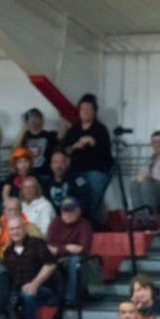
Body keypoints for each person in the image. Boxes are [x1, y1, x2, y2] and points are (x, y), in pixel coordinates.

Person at [60, 94, 112, 226]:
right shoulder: (74, 129)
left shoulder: (100, 129)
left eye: (89, 109)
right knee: (71, 194)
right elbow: (65, 149)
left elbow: (106, 153)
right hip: (76, 171)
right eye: (83, 109)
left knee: (92, 197)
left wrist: (93, 142)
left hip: (97, 170)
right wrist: (74, 146)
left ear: (94, 111)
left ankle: (92, 225)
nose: (86, 112)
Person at [3, 216, 57, 319]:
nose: (15, 232)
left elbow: (51, 264)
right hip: (18, 291)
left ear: (25, 228)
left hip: (43, 289)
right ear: (8, 232)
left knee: (26, 295)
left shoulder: (37, 243)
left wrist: (35, 284)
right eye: (12, 229)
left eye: (18, 228)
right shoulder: (7, 252)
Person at [45, 197, 93, 308]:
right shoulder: (55, 222)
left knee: (75, 261)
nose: (68, 214)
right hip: (58, 257)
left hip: (80, 260)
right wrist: (67, 248)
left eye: (71, 211)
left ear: (78, 211)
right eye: (65, 211)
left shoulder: (84, 225)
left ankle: (70, 299)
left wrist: (59, 249)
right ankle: (51, 298)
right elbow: (49, 245)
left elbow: (83, 249)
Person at [14, 108, 57, 176]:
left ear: (41, 119)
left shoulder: (49, 135)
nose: (33, 120)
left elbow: (62, 136)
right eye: (30, 118)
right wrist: (24, 127)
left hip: (45, 173)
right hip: (27, 173)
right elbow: (15, 150)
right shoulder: (23, 136)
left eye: (36, 117)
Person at [38, 150, 77, 214]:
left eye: (61, 162)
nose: (58, 166)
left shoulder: (75, 181)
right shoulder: (46, 183)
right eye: (55, 162)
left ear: (67, 164)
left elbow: (82, 204)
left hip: (71, 216)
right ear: (51, 165)